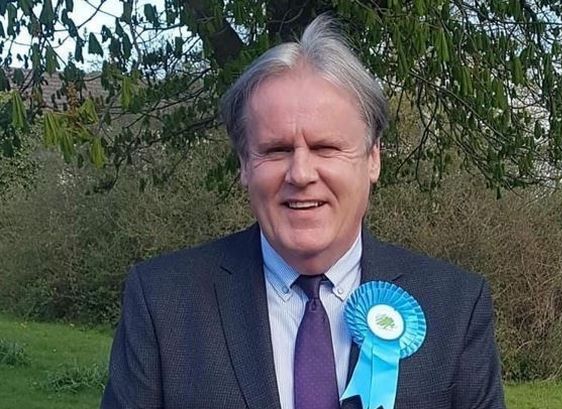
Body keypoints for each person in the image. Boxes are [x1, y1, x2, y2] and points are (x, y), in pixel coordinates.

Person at [101, 15, 506, 409]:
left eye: (325, 148)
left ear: (373, 159)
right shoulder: (163, 302)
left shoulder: (455, 307)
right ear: (244, 164)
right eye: (276, 150)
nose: (300, 173)